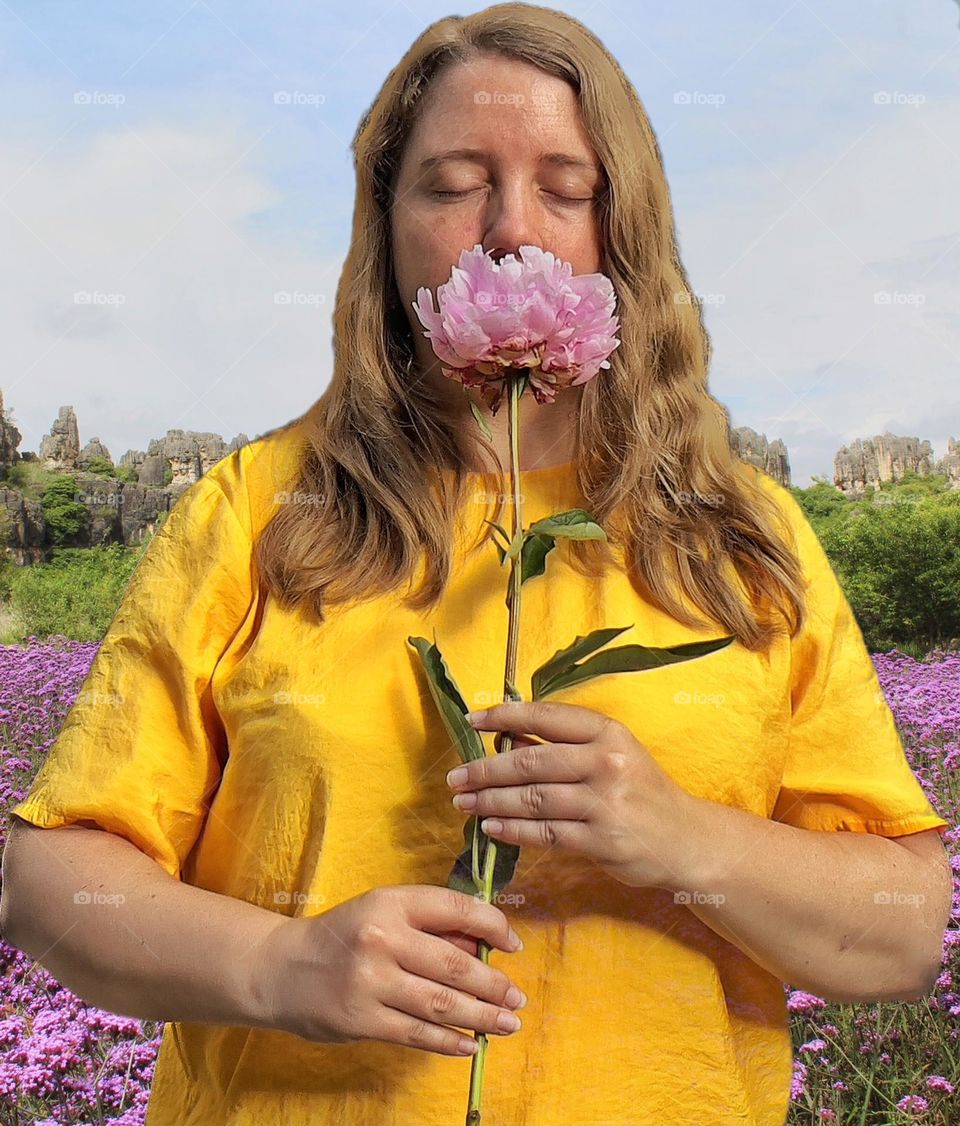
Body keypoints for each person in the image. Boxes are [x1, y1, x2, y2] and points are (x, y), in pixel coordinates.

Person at [1, 6, 951, 1124]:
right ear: (387, 225)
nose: (511, 231)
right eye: (453, 185)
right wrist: (283, 965)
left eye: (567, 186)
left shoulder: (743, 534)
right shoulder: (254, 511)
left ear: (623, 229)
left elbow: (899, 926)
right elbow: (46, 878)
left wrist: (681, 835)